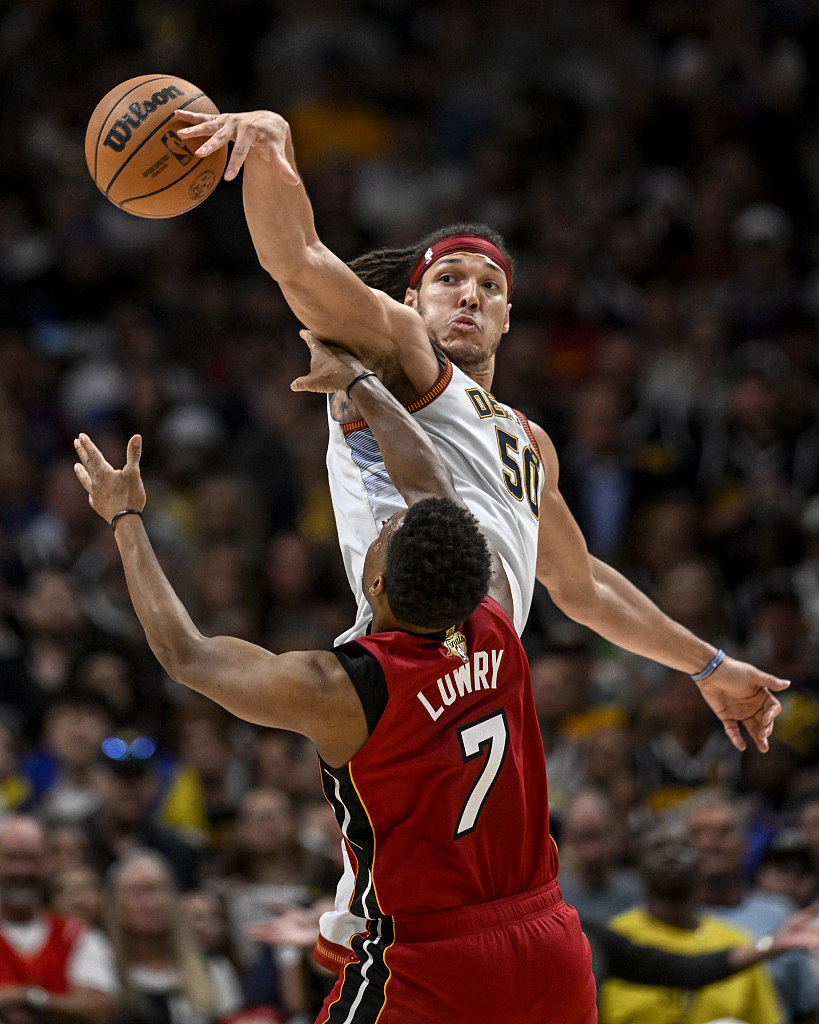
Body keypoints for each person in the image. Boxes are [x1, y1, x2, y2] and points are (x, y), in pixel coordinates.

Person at [72, 338, 597, 1023]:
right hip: (549, 944)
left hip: (436, 960)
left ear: (375, 584)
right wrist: (363, 385)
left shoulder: (349, 689)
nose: (383, 524)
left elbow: (186, 655)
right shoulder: (491, 614)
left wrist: (125, 519)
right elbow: (431, 491)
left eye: (386, 533)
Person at [600, 815, 781, 1024]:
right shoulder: (614, 939)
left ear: (702, 861)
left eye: (684, 846)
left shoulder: (738, 945)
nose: (672, 856)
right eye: (658, 848)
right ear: (639, 863)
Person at [687, 790, 819, 1023]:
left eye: (724, 832)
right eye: (697, 835)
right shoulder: (667, 917)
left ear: (746, 844)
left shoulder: (779, 914)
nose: (710, 844)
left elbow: (807, 1007)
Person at [0, 815, 118, 1024]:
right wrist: (60, 1006)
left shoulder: (78, 935)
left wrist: (26, 999)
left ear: (48, 863)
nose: (21, 870)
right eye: (10, 859)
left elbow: (100, 1009)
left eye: (31, 859)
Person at [107, 851, 243, 1024]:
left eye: (161, 889)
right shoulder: (104, 974)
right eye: (139, 892)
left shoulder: (214, 970)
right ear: (114, 904)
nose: (153, 903)